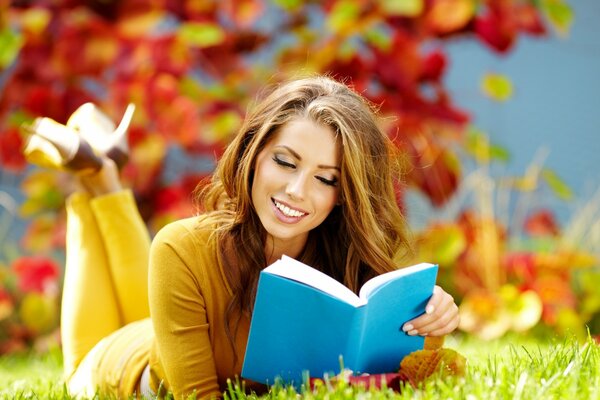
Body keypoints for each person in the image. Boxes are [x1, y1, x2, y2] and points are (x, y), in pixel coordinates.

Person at [22, 76, 460, 399]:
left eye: (325, 179)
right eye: (285, 163)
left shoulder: (349, 265)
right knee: (81, 362)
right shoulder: (184, 247)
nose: (296, 191)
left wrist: (431, 321)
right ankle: (94, 180)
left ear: (345, 195)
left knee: (157, 291)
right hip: (124, 363)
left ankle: (101, 168)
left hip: (173, 327)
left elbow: (398, 378)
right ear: (254, 153)